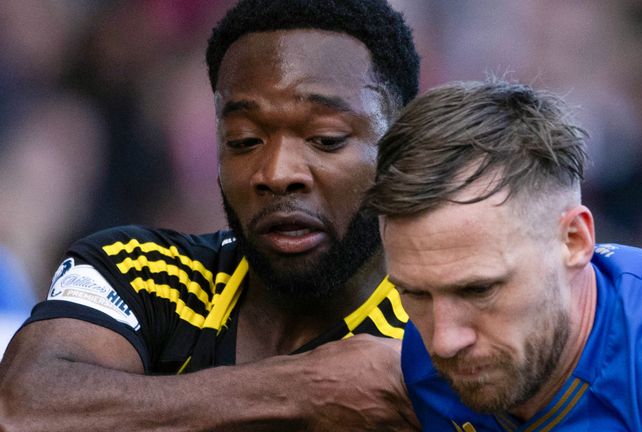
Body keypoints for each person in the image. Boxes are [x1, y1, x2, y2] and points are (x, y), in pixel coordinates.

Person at [0, 0, 420, 430]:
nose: (277, 173)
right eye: (244, 140)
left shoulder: (441, 336)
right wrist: (304, 388)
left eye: (326, 139)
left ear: (401, 148)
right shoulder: (142, 272)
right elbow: (20, 407)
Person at [365, 79, 642, 431]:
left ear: (574, 240)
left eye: (478, 290)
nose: (445, 340)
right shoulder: (409, 367)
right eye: (414, 294)